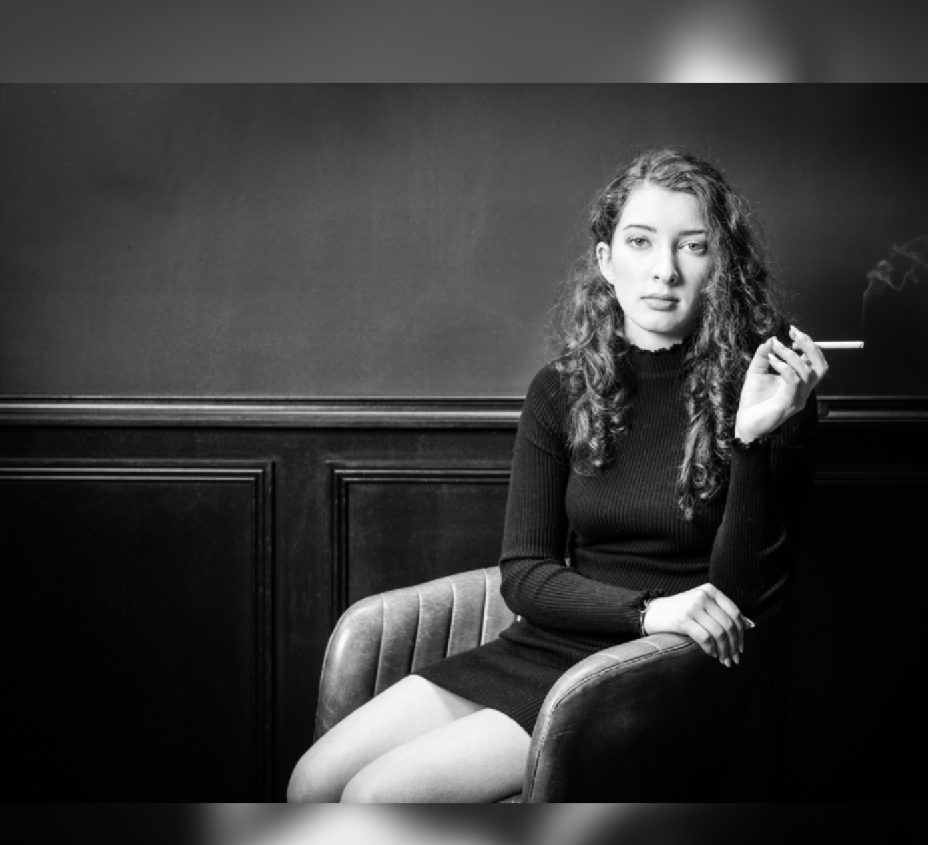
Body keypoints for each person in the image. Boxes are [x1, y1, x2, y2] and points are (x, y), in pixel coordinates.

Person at [287, 148, 827, 803]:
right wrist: (646, 610)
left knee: (376, 798)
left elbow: (746, 600)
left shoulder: (771, 391)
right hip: (547, 645)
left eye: (693, 246)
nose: (664, 269)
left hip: (645, 675)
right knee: (310, 783)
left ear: (721, 265)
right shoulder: (560, 390)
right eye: (640, 241)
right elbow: (525, 574)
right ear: (606, 260)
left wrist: (752, 437)